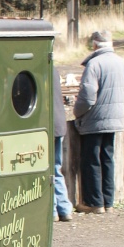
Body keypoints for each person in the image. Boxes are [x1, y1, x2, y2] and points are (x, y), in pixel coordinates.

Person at [72, 30, 124, 214]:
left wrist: (77, 113)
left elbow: (88, 98)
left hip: (94, 120)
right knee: (107, 158)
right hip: (115, 119)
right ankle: (109, 201)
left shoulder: (94, 64)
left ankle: (94, 202)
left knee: (91, 160)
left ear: (94, 45)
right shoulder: (122, 63)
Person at [52, 67, 73, 221]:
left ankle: (52, 210)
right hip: (59, 123)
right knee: (56, 168)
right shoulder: (53, 69)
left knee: (47, 170)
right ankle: (64, 208)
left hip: (47, 125)